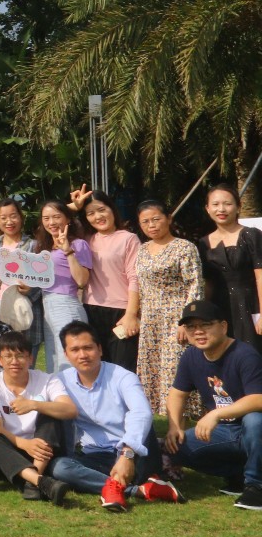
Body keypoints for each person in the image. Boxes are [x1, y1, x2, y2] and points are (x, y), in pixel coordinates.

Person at [50, 320, 181, 510]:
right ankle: (136, 490)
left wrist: (127, 455)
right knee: (60, 467)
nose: (83, 355)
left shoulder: (123, 377)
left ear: (100, 349)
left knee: (141, 425)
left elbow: (141, 413)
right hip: (97, 455)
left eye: (88, 348)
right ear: (66, 355)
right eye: (75, 350)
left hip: (135, 451)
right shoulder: (61, 381)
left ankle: (120, 485)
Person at [164, 300, 262, 510]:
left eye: (205, 325)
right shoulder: (191, 356)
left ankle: (256, 486)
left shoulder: (245, 355)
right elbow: (177, 394)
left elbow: (258, 398)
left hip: (250, 428)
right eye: (191, 327)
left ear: (223, 326)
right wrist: (174, 426)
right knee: (173, 448)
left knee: (255, 420)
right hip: (225, 431)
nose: (198, 331)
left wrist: (216, 414)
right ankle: (237, 475)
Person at [127, 199, 202, 419]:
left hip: (176, 319)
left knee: (175, 371)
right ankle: (165, 427)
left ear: (168, 219)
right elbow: (140, 286)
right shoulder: (142, 250)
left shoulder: (184, 248)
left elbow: (195, 285)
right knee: (153, 373)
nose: (151, 225)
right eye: (145, 222)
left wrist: (188, 321)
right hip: (151, 322)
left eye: (156, 219)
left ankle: (179, 428)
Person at [0, 330, 75, 503]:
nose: (14, 362)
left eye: (20, 356)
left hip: (45, 450)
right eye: (8, 356)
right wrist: (24, 444)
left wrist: (34, 405)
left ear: (30, 359)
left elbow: (70, 410)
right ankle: (39, 481)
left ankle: (33, 481)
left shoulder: (47, 380)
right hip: (11, 452)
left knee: (50, 414)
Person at [77, 191, 142, 369]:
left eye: (101, 210)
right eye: (90, 213)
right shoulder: (85, 240)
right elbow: (57, 220)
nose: (98, 217)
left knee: (123, 368)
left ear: (112, 209)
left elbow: (135, 277)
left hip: (121, 312)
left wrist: (131, 314)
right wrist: (75, 206)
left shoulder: (128, 239)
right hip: (91, 310)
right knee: (96, 367)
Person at [197, 184, 262, 349]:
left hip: (250, 303)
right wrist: (204, 314)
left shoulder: (251, 235)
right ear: (207, 209)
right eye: (215, 204)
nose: (221, 209)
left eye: (227, 203)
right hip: (220, 307)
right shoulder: (203, 243)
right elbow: (209, 282)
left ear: (238, 207)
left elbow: (260, 276)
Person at [33, 199, 94, 373]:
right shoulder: (43, 247)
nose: (51, 222)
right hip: (47, 306)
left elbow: (82, 280)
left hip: (66, 305)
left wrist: (68, 251)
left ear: (68, 219)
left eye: (57, 217)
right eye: (46, 218)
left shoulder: (78, 244)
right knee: (54, 362)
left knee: (69, 360)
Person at [0, 198, 42, 356]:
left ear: (21, 217)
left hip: (25, 309)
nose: (9, 221)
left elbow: (44, 282)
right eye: (3, 217)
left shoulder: (35, 246)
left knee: (25, 358)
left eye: (13, 216)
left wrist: (31, 290)